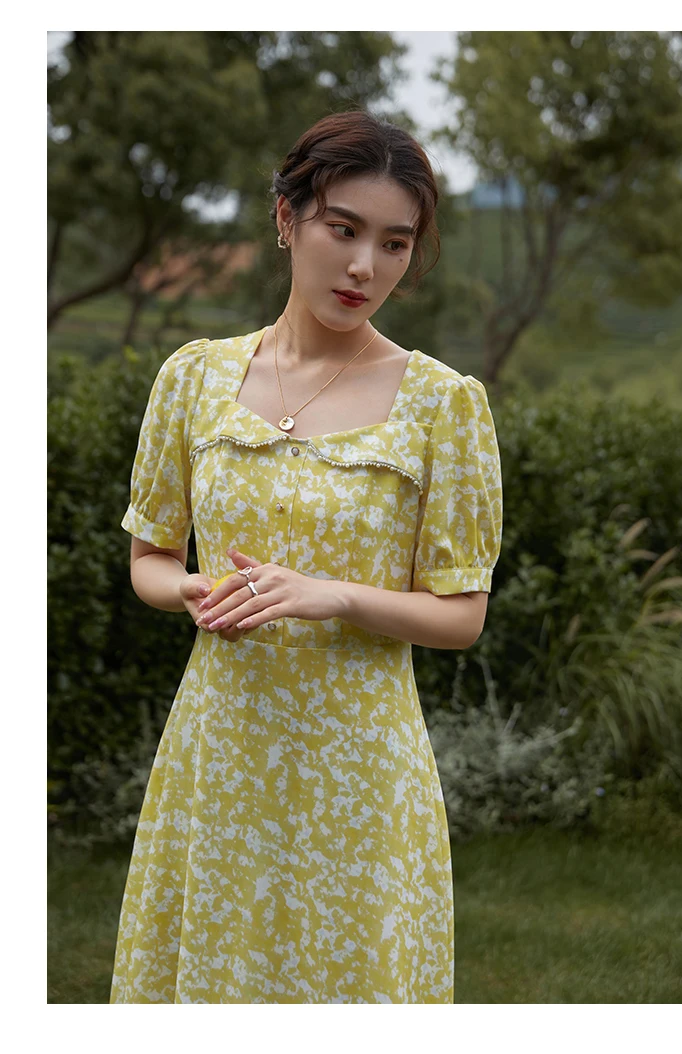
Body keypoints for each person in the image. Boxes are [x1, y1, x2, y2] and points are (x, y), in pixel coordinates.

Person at [109, 108, 503, 1004]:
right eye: (344, 229)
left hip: (362, 770)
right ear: (287, 217)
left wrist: (334, 595)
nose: (366, 266)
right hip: (221, 756)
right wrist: (193, 589)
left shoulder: (443, 406)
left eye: (395, 244)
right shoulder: (193, 379)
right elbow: (150, 558)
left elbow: (461, 617)